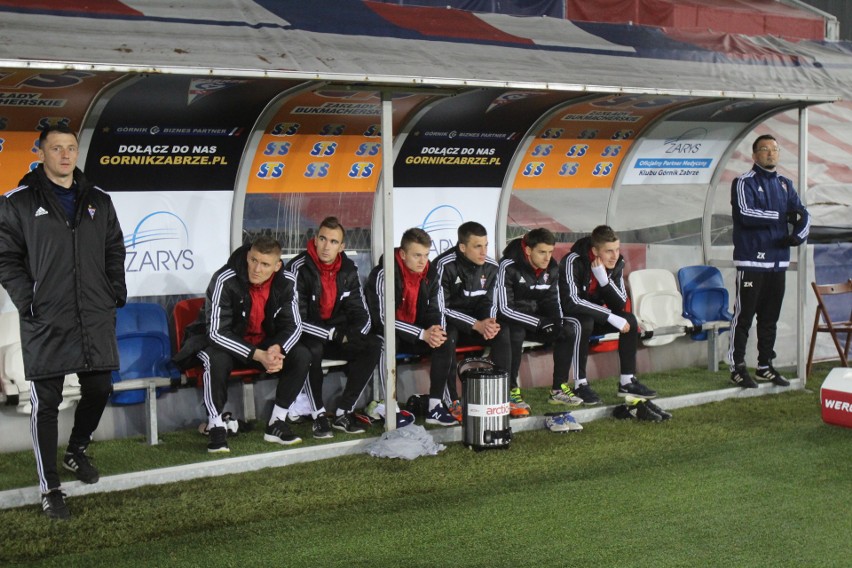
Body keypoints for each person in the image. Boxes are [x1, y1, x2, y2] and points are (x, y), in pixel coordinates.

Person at [0, 124, 126, 520]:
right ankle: (49, 488)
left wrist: (114, 289)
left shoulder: (99, 200)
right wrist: (28, 300)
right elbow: (6, 259)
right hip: (46, 317)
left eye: (70, 148)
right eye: (56, 148)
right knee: (46, 404)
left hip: (93, 313)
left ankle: (76, 450)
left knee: (100, 386)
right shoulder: (16, 201)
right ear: (40, 152)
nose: (65, 155)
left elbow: (114, 248)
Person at [174, 235, 311, 452]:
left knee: (302, 354)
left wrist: (277, 349)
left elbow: (294, 326)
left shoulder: (287, 282)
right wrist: (259, 355)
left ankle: (277, 421)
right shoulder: (224, 279)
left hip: (262, 346)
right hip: (221, 344)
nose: (257, 268)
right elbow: (216, 333)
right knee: (214, 357)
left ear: (277, 266)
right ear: (248, 255)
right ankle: (216, 424)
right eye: (254, 260)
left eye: (265, 264)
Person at [286, 217, 382, 436]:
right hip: (306, 335)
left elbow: (361, 312)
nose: (326, 246)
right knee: (313, 350)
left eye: (333, 241)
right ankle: (318, 415)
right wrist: (334, 334)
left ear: (342, 247)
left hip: (338, 335)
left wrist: (355, 333)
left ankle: (343, 412)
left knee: (373, 344)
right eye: (322, 239)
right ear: (315, 239)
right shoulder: (297, 268)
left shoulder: (348, 269)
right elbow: (296, 320)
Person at [728, 134, 809, 388]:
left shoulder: (785, 184)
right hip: (752, 261)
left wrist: (797, 236)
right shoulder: (743, 182)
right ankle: (737, 367)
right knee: (744, 317)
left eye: (775, 149)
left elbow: (803, 214)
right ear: (754, 155)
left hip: (778, 262)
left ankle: (765, 365)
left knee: (770, 318)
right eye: (764, 149)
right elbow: (745, 214)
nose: (770, 154)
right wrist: (781, 215)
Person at [366, 228, 454, 425]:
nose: (423, 261)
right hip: (391, 334)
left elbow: (437, 309)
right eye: (417, 256)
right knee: (385, 343)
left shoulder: (431, 272)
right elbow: (381, 319)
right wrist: (422, 333)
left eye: (426, 255)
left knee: (445, 341)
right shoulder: (383, 273)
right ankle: (391, 407)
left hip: (417, 334)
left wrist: (435, 331)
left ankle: (435, 406)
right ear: (403, 254)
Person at [559, 224, 657, 402]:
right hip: (570, 317)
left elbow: (619, 303)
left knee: (630, 320)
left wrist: (604, 280)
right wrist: (609, 316)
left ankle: (627, 382)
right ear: (595, 250)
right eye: (609, 251)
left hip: (596, 315)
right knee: (584, 322)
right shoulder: (573, 260)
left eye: (617, 249)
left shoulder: (617, 263)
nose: (615, 256)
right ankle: (580, 384)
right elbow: (571, 301)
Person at [430, 221, 510, 421]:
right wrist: (476, 324)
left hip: (477, 324)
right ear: (462, 247)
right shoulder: (443, 265)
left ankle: (501, 394)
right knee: (447, 336)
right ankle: (452, 401)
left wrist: (489, 323)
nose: (484, 252)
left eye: (486, 245)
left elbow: (490, 301)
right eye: (477, 246)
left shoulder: (492, 266)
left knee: (504, 332)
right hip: (449, 322)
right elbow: (442, 309)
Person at [496, 227, 580, 416]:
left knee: (567, 329)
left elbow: (553, 300)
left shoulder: (551, 267)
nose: (547, 257)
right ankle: (511, 391)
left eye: (550, 252)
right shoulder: (508, 266)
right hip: (511, 320)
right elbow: (504, 309)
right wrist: (540, 323)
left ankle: (558, 389)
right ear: (528, 250)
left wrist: (556, 323)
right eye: (542, 252)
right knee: (514, 333)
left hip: (536, 321)